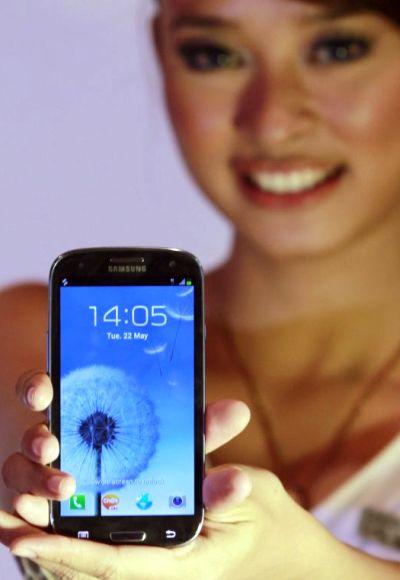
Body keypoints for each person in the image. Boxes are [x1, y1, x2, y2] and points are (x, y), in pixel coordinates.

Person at [2, 0, 400, 576]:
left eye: (337, 49)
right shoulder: (25, 352)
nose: (272, 121)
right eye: (212, 55)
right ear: (162, 55)